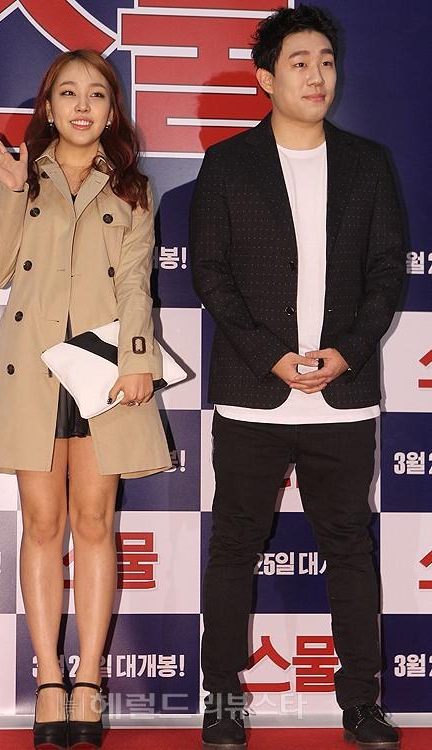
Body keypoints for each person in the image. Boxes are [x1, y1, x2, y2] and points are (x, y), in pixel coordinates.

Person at [190, 5, 405, 750]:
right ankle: (222, 702)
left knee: (349, 546)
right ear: (265, 78)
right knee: (234, 545)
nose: (317, 76)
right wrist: (268, 354)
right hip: (254, 392)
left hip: (342, 395)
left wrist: (347, 351)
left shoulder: (369, 164)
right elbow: (211, 275)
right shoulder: (228, 164)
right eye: (299, 62)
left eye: (326, 61)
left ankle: (361, 705)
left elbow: (386, 274)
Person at [0, 48, 171, 750]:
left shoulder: (133, 189)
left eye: (97, 95)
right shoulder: (24, 177)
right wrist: (10, 191)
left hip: (103, 373)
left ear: (111, 112)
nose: (83, 105)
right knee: (43, 523)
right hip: (32, 371)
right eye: (68, 94)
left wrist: (138, 360)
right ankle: (49, 679)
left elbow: (136, 283)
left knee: (95, 521)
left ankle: (89, 681)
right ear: (48, 108)